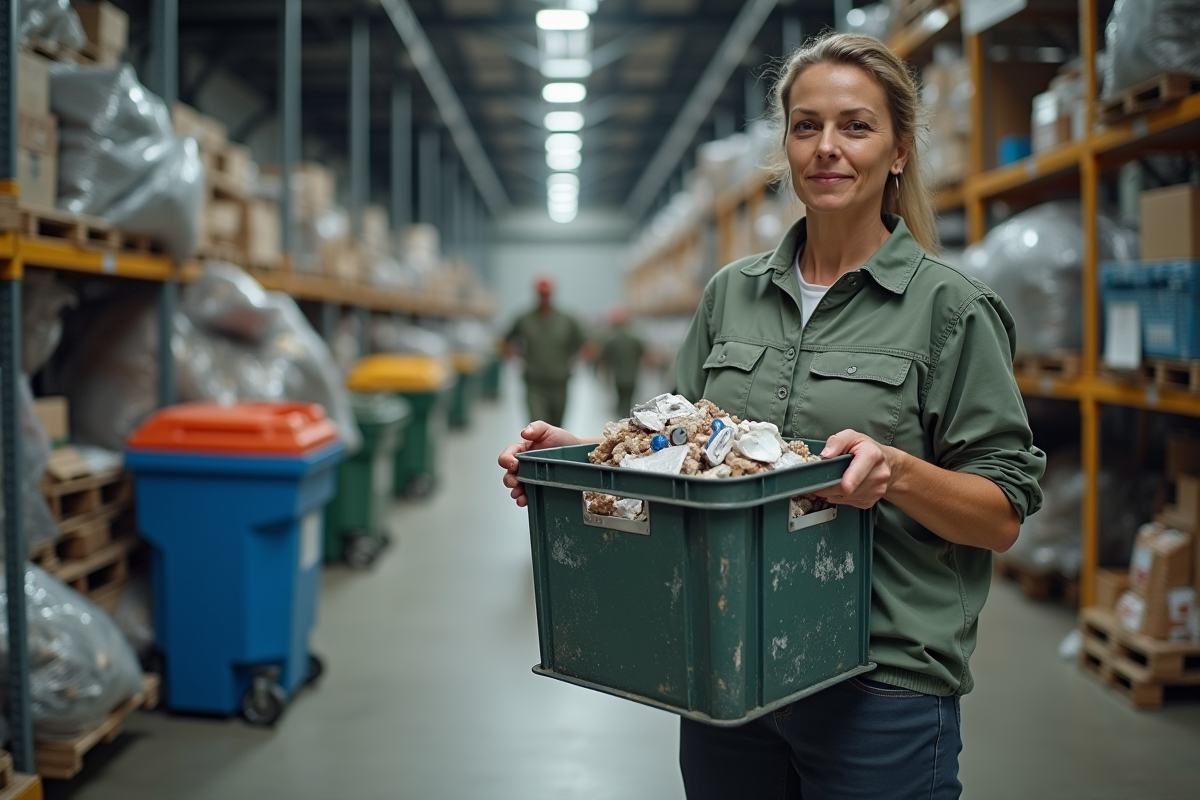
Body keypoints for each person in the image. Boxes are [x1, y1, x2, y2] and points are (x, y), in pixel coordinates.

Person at [499, 32, 1044, 799]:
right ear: (786, 147)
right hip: (727, 663)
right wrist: (589, 455)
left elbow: (1001, 516)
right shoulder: (731, 294)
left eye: (856, 126)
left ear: (898, 152)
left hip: (878, 682)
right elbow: (687, 451)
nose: (827, 147)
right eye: (806, 126)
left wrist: (896, 472)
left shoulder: (951, 309)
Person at [502, 276, 587, 428]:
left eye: (547, 293)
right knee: (537, 426)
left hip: (559, 383)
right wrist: (516, 358)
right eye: (541, 293)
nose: (544, 296)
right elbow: (505, 341)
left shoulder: (566, 319)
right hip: (535, 384)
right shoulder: (525, 319)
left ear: (552, 293)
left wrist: (573, 361)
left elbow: (586, 344)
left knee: (557, 428)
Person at [598, 307, 646, 415]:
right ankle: (627, 416)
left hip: (618, 377)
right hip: (632, 377)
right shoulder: (635, 339)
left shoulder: (611, 340)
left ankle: (621, 418)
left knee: (620, 400)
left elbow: (605, 360)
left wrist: (605, 377)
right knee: (629, 400)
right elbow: (644, 357)